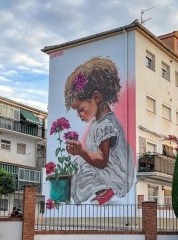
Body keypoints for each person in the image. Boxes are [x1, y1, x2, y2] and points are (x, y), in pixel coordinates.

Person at [64, 57, 134, 205]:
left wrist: (82, 151)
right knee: (79, 163)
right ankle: (102, 190)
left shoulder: (105, 125)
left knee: (80, 164)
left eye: (81, 109)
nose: (79, 115)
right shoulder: (100, 122)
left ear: (96, 97)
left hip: (116, 175)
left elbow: (102, 161)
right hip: (112, 171)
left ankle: (105, 191)